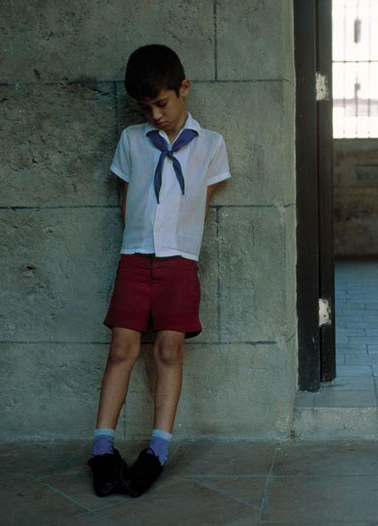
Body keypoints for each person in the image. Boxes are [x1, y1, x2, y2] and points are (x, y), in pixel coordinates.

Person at [87, 44, 231, 498]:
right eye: (146, 108)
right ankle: (103, 450)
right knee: (120, 349)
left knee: (169, 350)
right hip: (135, 259)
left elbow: (201, 206)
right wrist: (138, 246)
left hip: (179, 263)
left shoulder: (211, 144)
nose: (155, 115)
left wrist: (182, 252)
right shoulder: (132, 140)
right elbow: (127, 199)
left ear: (184, 89)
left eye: (162, 104)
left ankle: (158, 450)